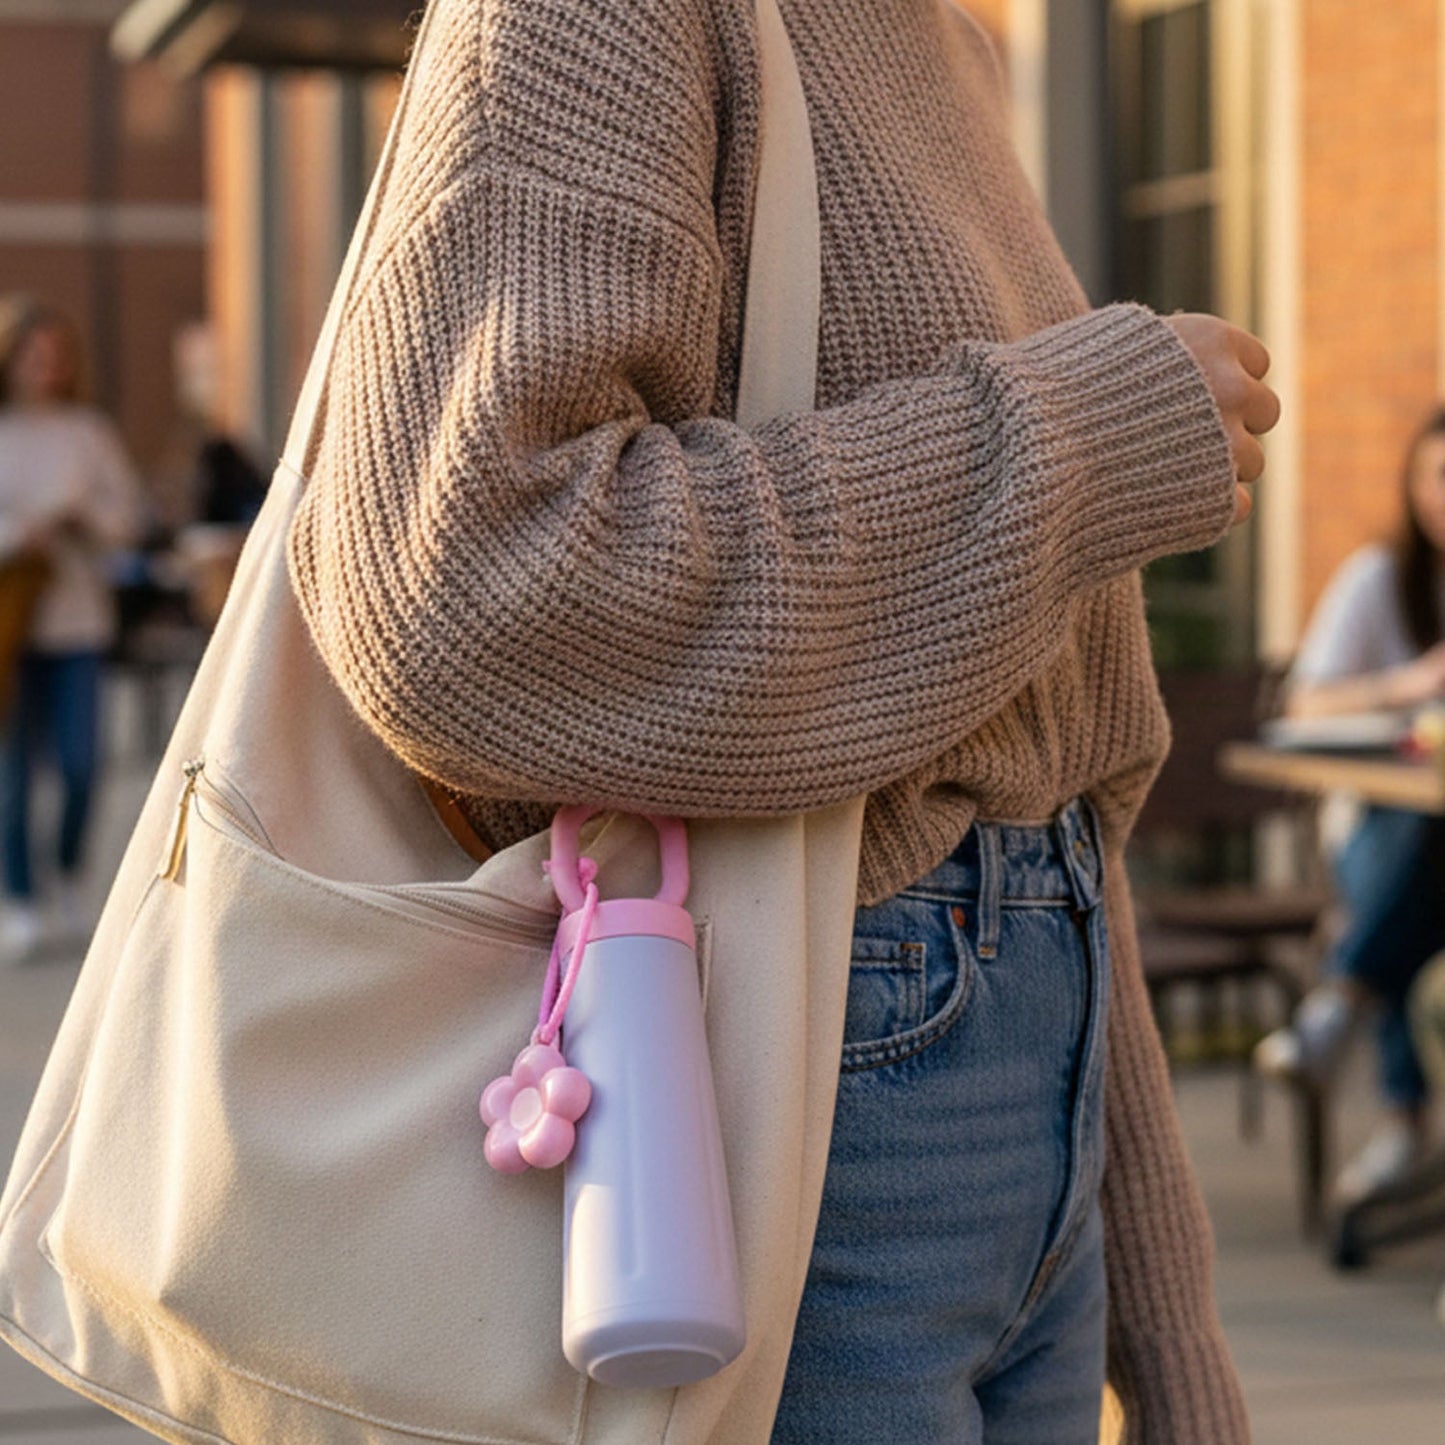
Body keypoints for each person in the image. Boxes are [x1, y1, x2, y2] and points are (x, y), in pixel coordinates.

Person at [284, 2, 1278, 1438]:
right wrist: (1079, 431)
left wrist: (1172, 1337)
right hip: (783, 1090)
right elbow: (470, 587)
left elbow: (1052, 791)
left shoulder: (947, 43)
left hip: (1034, 1088)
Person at [1255, 405, 1445, 1202]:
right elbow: (1301, 708)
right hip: (1373, 823)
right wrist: (1405, 684)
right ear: (1411, 486)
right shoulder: (1378, 579)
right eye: (1438, 476)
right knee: (1419, 846)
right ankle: (1397, 1115)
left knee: (1415, 882)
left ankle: (1340, 999)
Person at [0, 295, 144, 957]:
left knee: (84, 763)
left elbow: (130, 521)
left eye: (58, 355)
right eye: (35, 354)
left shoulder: (89, 432)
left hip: (77, 623)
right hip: (8, 630)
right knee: (13, 774)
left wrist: (86, 516)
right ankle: (21, 898)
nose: (46, 366)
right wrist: (16, 534)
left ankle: (67, 875)